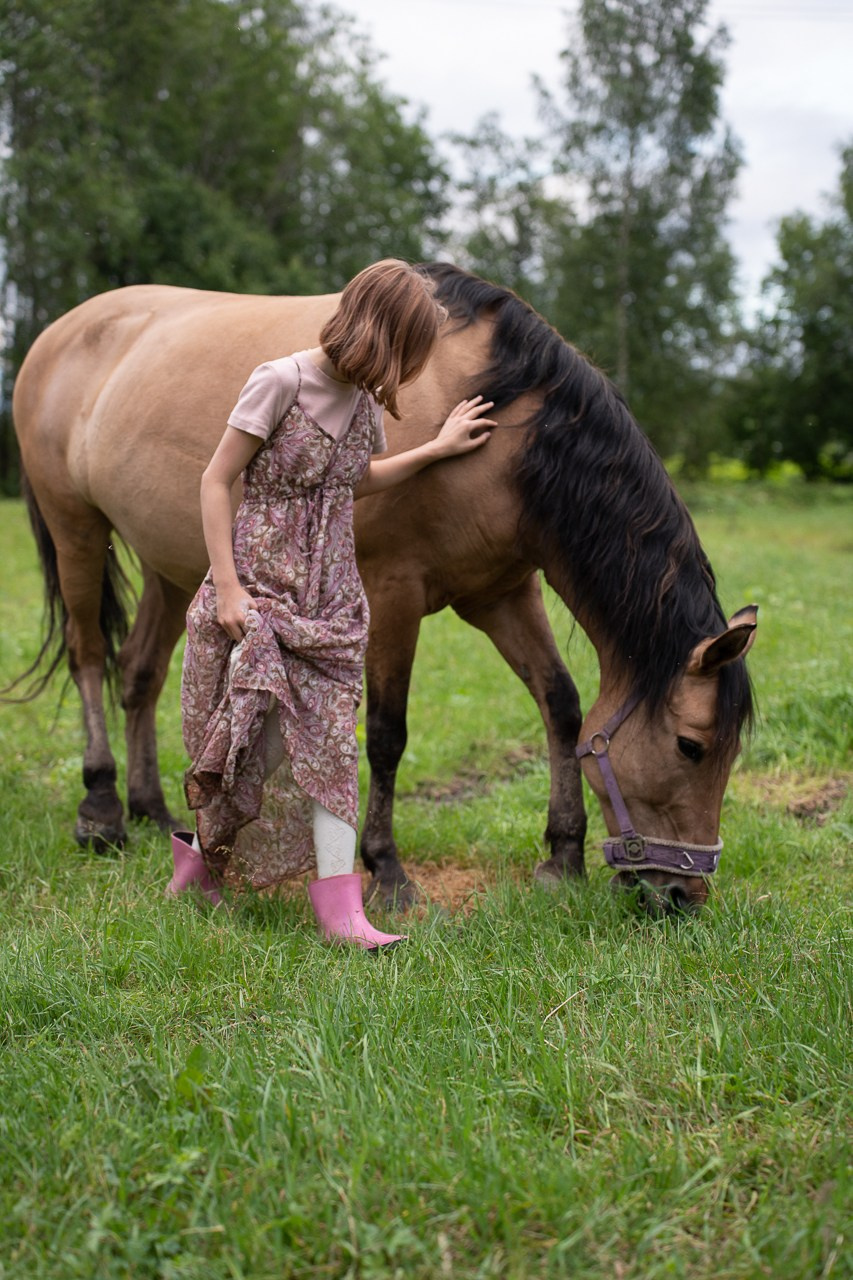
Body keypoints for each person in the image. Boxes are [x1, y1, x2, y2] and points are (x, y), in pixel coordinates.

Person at [167, 259, 496, 949]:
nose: (406, 372)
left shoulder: (363, 401)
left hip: (331, 592)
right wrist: (227, 585)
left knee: (330, 745)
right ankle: (200, 868)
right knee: (243, 745)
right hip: (259, 581)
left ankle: (341, 915)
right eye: (406, 353)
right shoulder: (278, 381)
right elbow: (216, 479)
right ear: (378, 331)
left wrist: (436, 448)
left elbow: (354, 479)